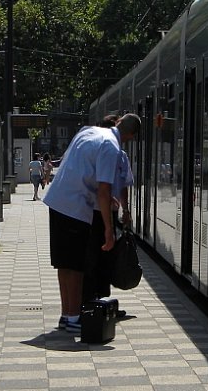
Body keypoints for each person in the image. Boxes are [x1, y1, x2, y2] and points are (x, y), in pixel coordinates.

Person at [43, 113, 140, 335]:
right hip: (76, 206)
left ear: (117, 123)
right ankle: (75, 317)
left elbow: (78, 169)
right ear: (130, 136)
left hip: (57, 199)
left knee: (64, 264)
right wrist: (108, 229)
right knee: (77, 266)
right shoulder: (112, 147)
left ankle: (66, 315)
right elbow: (104, 190)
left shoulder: (88, 131)